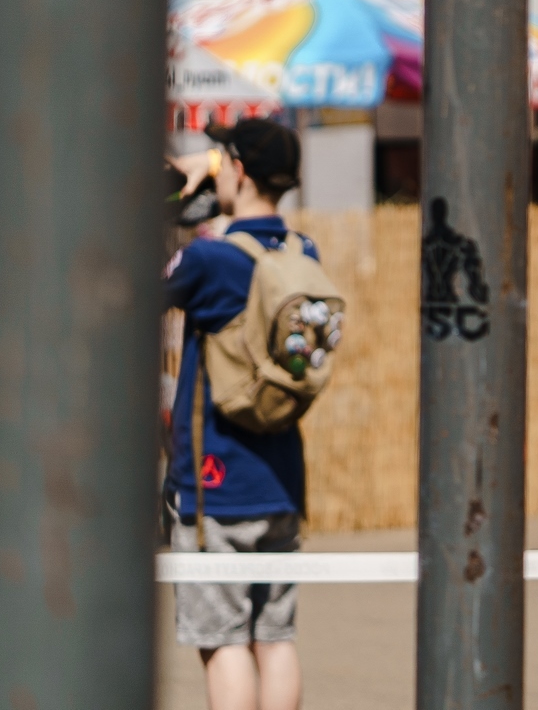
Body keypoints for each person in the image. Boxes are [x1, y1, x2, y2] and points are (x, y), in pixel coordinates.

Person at [162, 119, 310, 710]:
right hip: (282, 477)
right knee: (274, 636)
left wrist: (169, 206)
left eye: (222, 160)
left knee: (221, 640)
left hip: (215, 482)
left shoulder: (208, 259)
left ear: (240, 171)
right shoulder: (302, 252)